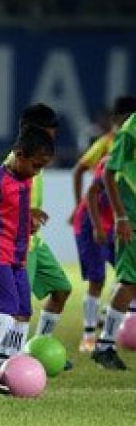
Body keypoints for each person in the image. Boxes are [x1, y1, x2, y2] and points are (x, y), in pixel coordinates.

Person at [0, 125, 55, 394]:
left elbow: (11, 212)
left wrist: (29, 220)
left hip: (18, 255)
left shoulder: (24, 178)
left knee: (23, 312)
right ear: (18, 154)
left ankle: (9, 364)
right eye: (35, 165)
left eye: (42, 167)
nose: (37, 172)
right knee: (5, 308)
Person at [14, 105, 73, 342]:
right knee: (19, 308)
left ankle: (40, 344)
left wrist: (33, 215)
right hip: (18, 245)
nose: (53, 137)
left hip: (34, 242)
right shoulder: (18, 162)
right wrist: (27, 215)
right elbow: (1, 203)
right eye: (50, 131)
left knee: (62, 289)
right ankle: (8, 358)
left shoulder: (37, 160)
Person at [97, 107, 136, 370]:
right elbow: (109, 173)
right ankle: (104, 345)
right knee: (130, 282)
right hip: (132, 220)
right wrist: (121, 217)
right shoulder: (131, 128)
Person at [76, 157, 116, 352]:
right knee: (97, 279)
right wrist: (97, 227)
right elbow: (92, 192)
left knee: (130, 277)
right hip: (91, 224)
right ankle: (88, 336)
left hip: (118, 225)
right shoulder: (115, 160)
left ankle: (111, 316)